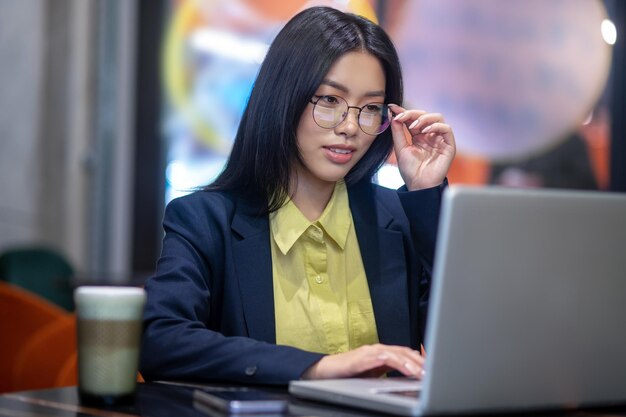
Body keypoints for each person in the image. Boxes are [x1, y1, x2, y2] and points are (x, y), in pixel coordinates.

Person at [140, 6, 456, 385]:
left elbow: (467, 341)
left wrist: (426, 193)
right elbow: (160, 341)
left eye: (370, 108)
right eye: (328, 100)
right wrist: (317, 367)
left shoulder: (399, 217)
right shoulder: (205, 220)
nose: (351, 127)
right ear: (285, 97)